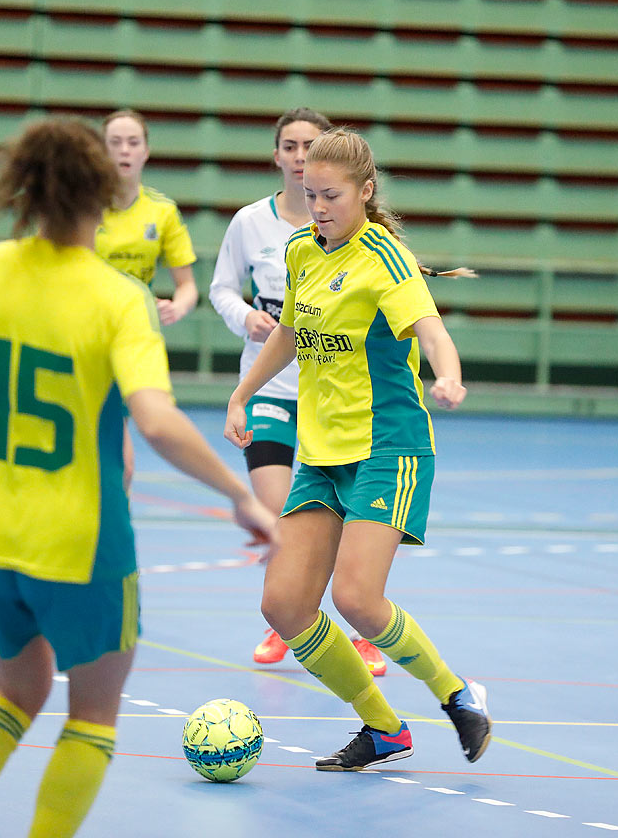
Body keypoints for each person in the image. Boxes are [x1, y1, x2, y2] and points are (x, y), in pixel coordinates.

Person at [0, 118, 277, 838]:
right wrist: (240, 497)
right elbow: (159, 423)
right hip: (79, 540)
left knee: (14, 696)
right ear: (105, 194)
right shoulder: (117, 299)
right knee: (91, 715)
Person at [225, 128, 489, 771]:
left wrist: (447, 375)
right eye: (310, 194)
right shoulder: (300, 251)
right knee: (283, 604)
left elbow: (430, 330)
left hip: (387, 446)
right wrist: (242, 394)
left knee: (357, 600)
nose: (318, 207)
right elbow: (290, 332)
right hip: (322, 453)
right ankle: (383, 729)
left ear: (365, 193)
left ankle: (458, 696)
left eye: (332, 196)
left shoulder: (384, 257)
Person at [208, 108, 386, 677]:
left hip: (329, 400)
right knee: (278, 510)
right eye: (290, 145)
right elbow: (220, 289)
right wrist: (245, 320)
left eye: (311, 144)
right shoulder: (251, 224)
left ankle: (352, 626)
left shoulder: (347, 235)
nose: (300, 154)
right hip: (268, 389)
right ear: (278, 155)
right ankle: (284, 615)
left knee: (323, 518)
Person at [94, 108, 197, 491]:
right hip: (84, 338)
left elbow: (187, 286)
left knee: (122, 467)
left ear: (146, 152)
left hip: (130, 342)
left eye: (133, 142)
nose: (124, 150)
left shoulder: (162, 212)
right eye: (114, 143)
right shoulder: (84, 207)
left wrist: (178, 305)